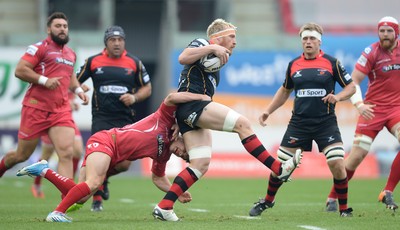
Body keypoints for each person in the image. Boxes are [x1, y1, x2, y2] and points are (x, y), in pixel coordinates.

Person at [152, 18, 302, 222]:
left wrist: (180, 119)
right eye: (232, 36)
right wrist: (211, 47)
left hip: (188, 113)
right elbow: (183, 57)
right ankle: (279, 168)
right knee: (243, 124)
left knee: (200, 164)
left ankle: (164, 206)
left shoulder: (215, 60)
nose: (235, 41)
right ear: (217, 38)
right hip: (192, 107)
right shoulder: (202, 43)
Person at [16, 91, 210, 222]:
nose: (182, 154)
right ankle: (57, 213)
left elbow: (157, 177)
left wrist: (176, 192)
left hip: (111, 152)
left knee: (81, 196)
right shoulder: (166, 119)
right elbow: (171, 98)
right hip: (107, 140)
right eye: (185, 151)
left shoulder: (164, 154)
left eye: (184, 157)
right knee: (93, 183)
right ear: (183, 138)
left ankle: (44, 170)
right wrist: (201, 97)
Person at [247, 22, 356, 218]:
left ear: (319, 42)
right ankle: (268, 201)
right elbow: (284, 91)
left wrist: (338, 97)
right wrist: (268, 111)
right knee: (280, 166)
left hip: (326, 122)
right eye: (305, 38)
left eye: (312, 38)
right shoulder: (294, 64)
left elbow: (351, 87)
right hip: (299, 123)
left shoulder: (332, 63)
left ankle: (344, 209)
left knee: (337, 163)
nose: (308, 42)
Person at [0, 12, 89, 180]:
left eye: (65, 26)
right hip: (36, 107)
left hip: (60, 111)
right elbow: (20, 70)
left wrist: (78, 91)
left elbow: (70, 78)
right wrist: (43, 80)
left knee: (67, 153)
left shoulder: (71, 54)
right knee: (21, 155)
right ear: (49, 29)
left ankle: (66, 199)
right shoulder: (39, 48)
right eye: (58, 26)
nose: (62, 29)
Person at [325, 16, 400, 212]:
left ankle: (387, 191)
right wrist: (359, 105)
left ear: (396, 32)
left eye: (389, 31)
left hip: (396, 110)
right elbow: (354, 82)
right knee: (356, 156)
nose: (385, 35)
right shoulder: (371, 52)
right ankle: (333, 196)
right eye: (382, 31)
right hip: (372, 110)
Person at [76, 25, 152, 211]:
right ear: (106, 43)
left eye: (120, 40)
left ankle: (104, 178)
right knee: (99, 158)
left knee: (125, 164)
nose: (117, 43)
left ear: (124, 42)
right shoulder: (93, 61)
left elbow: (147, 89)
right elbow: (75, 80)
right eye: (112, 40)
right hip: (102, 118)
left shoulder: (134, 62)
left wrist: (134, 97)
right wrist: (80, 89)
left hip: (125, 119)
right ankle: (97, 200)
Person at [31, 92, 84, 198]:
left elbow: (75, 89)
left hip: (67, 120)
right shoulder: (52, 78)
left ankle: (69, 187)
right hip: (52, 119)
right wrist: (66, 104)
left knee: (77, 151)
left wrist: (78, 92)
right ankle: (37, 184)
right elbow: (43, 96)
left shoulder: (73, 77)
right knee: (47, 154)